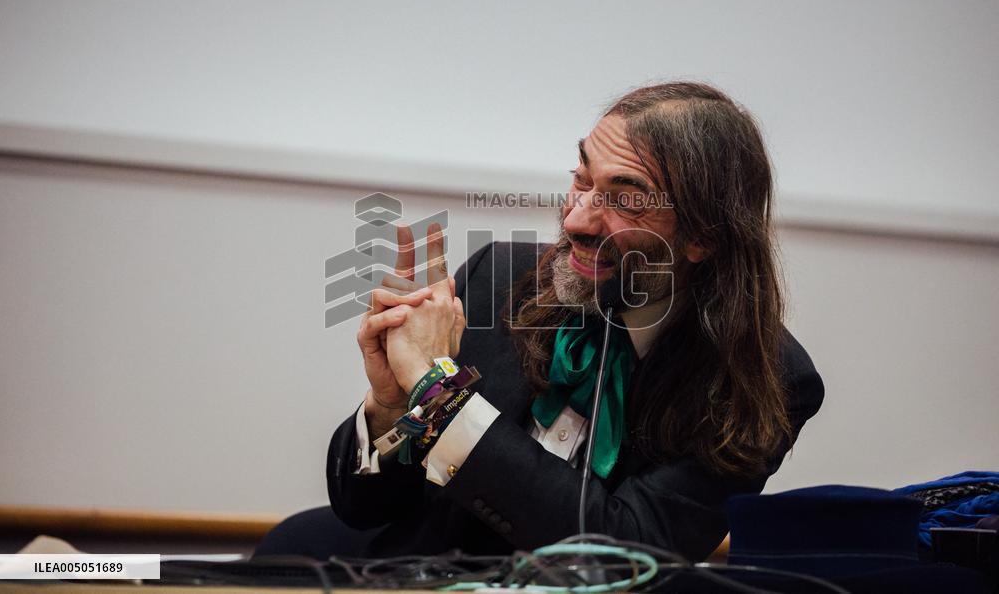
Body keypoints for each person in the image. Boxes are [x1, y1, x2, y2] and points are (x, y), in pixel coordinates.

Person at [320, 82, 824, 560]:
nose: (576, 220)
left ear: (704, 237)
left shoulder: (768, 377)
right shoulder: (498, 277)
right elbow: (361, 508)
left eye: (625, 199)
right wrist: (390, 405)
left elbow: (622, 550)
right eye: (581, 181)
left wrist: (440, 397)